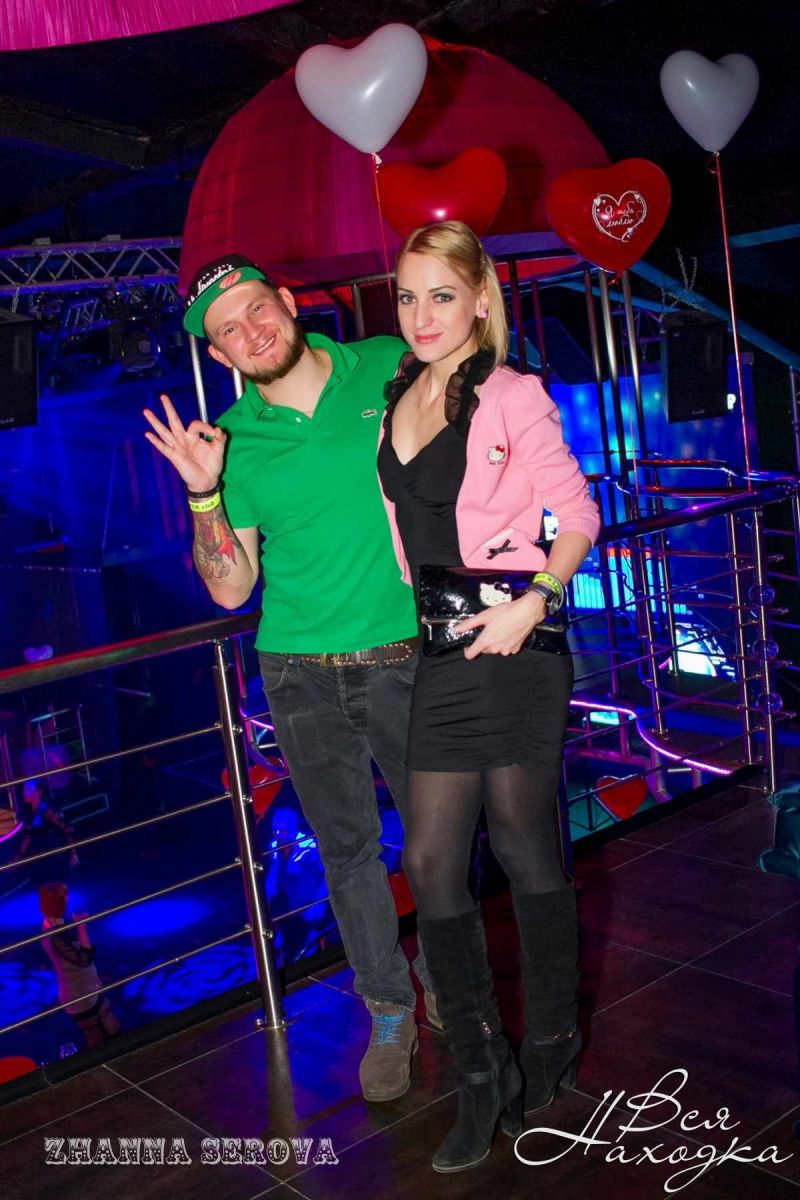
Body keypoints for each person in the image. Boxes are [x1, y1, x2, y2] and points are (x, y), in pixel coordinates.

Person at [142, 256, 436, 1103]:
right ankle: (389, 1009)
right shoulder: (229, 440)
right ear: (219, 352)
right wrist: (204, 495)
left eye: (255, 309)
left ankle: (452, 980)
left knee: (441, 840)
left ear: (288, 301)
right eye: (227, 329)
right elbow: (230, 588)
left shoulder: (387, 363)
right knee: (346, 854)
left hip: (406, 655)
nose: (250, 331)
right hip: (299, 673)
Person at [376, 221, 601, 1172]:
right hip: (441, 651)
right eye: (406, 296)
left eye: (440, 295)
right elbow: (408, 529)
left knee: (522, 847)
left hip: (513, 646)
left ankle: (550, 1040)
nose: (421, 314)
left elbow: (579, 513)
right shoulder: (398, 395)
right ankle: (483, 1073)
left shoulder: (513, 393)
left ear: (479, 298)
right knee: (430, 862)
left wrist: (536, 600)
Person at [39, 881, 121, 1049]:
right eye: (65, 897)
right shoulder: (55, 935)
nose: (68, 899)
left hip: (86, 985)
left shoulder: (55, 924)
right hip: (79, 993)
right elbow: (84, 959)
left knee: (107, 1020)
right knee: (95, 1034)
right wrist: (82, 928)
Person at [14, 779, 79, 881]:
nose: (23, 792)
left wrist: (73, 854)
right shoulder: (27, 810)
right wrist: (20, 856)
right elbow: (28, 836)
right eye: (24, 789)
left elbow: (67, 829)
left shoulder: (49, 809)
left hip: (54, 857)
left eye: (28, 789)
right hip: (38, 858)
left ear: (39, 792)